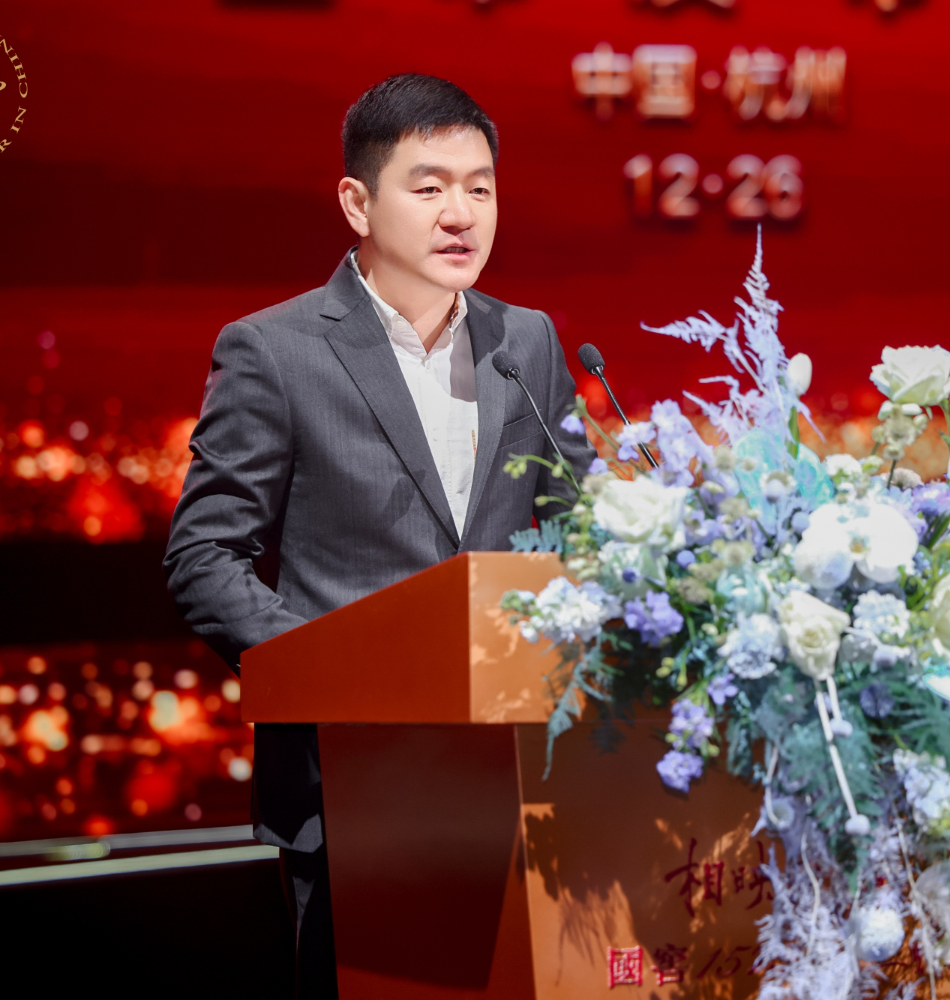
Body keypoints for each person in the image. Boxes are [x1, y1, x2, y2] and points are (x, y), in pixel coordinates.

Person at [163, 74, 594, 998]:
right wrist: (340, 672)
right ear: (358, 203)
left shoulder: (527, 340)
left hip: (522, 776)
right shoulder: (275, 350)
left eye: (479, 188)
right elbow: (203, 556)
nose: (460, 214)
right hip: (352, 786)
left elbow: (579, 528)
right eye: (429, 187)